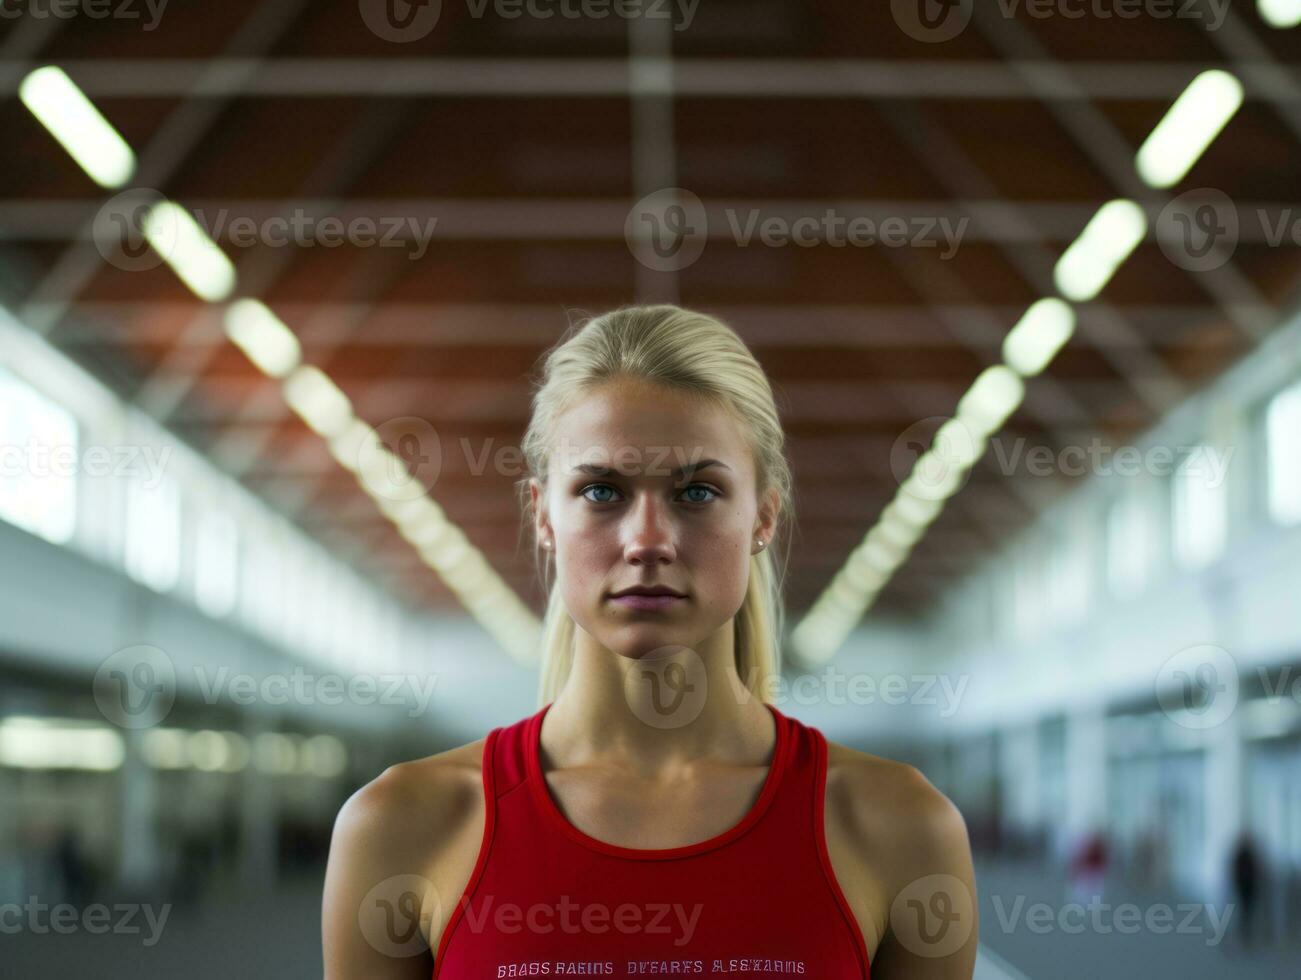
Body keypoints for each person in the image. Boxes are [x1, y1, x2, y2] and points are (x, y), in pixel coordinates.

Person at [322, 305, 979, 979]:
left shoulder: (899, 828)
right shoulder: (402, 825)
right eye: (601, 490)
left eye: (695, 491)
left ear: (763, 516)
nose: (646, 541)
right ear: (543, 515)